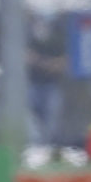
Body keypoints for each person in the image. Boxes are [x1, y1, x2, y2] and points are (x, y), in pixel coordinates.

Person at [25, 13, 68, 144]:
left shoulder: (58, 41)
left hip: (52, 86)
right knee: (31, 118)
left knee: (51, 119)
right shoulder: (31, 40)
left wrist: (40, 61)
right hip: (32, 85)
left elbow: (61, 64)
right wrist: (48, 63)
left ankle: (48, 147)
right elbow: (27, 57)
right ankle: (35, 146)